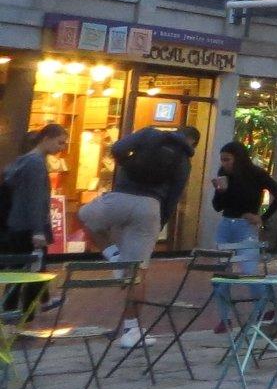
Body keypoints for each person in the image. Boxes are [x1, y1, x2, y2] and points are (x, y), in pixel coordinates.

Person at [78, 125, 198, 348]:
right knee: (138, 272)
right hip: (150, 207)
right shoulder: (184, 159)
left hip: (121, 195)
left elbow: (117, 148)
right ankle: (132, 331)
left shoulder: (149, 134)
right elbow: (174, 196)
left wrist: (128, 165)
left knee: (84, 217)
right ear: (193, 143)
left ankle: (113, 256)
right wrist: (159, 221)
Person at [211, 141, 277, 271]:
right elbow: (217, 206)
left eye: (227, 160)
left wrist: (263, 217)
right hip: (226, 223)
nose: (224, 163)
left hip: (246, 225)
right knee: (221, 269)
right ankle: (222, 291)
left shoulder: (256, 174)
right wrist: (220, 191)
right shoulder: (224, 173)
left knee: (249, 269)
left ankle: (260, 291)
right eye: (222, 160)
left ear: (238, 159)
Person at [3, 124, 66, 256]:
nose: (62, 147)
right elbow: (35, 198)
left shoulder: (25, 161)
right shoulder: (35, 163)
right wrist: (38, 231)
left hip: (18, 224)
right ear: (46, 139)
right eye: (59, 142)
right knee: (33, 271)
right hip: (29, 228)